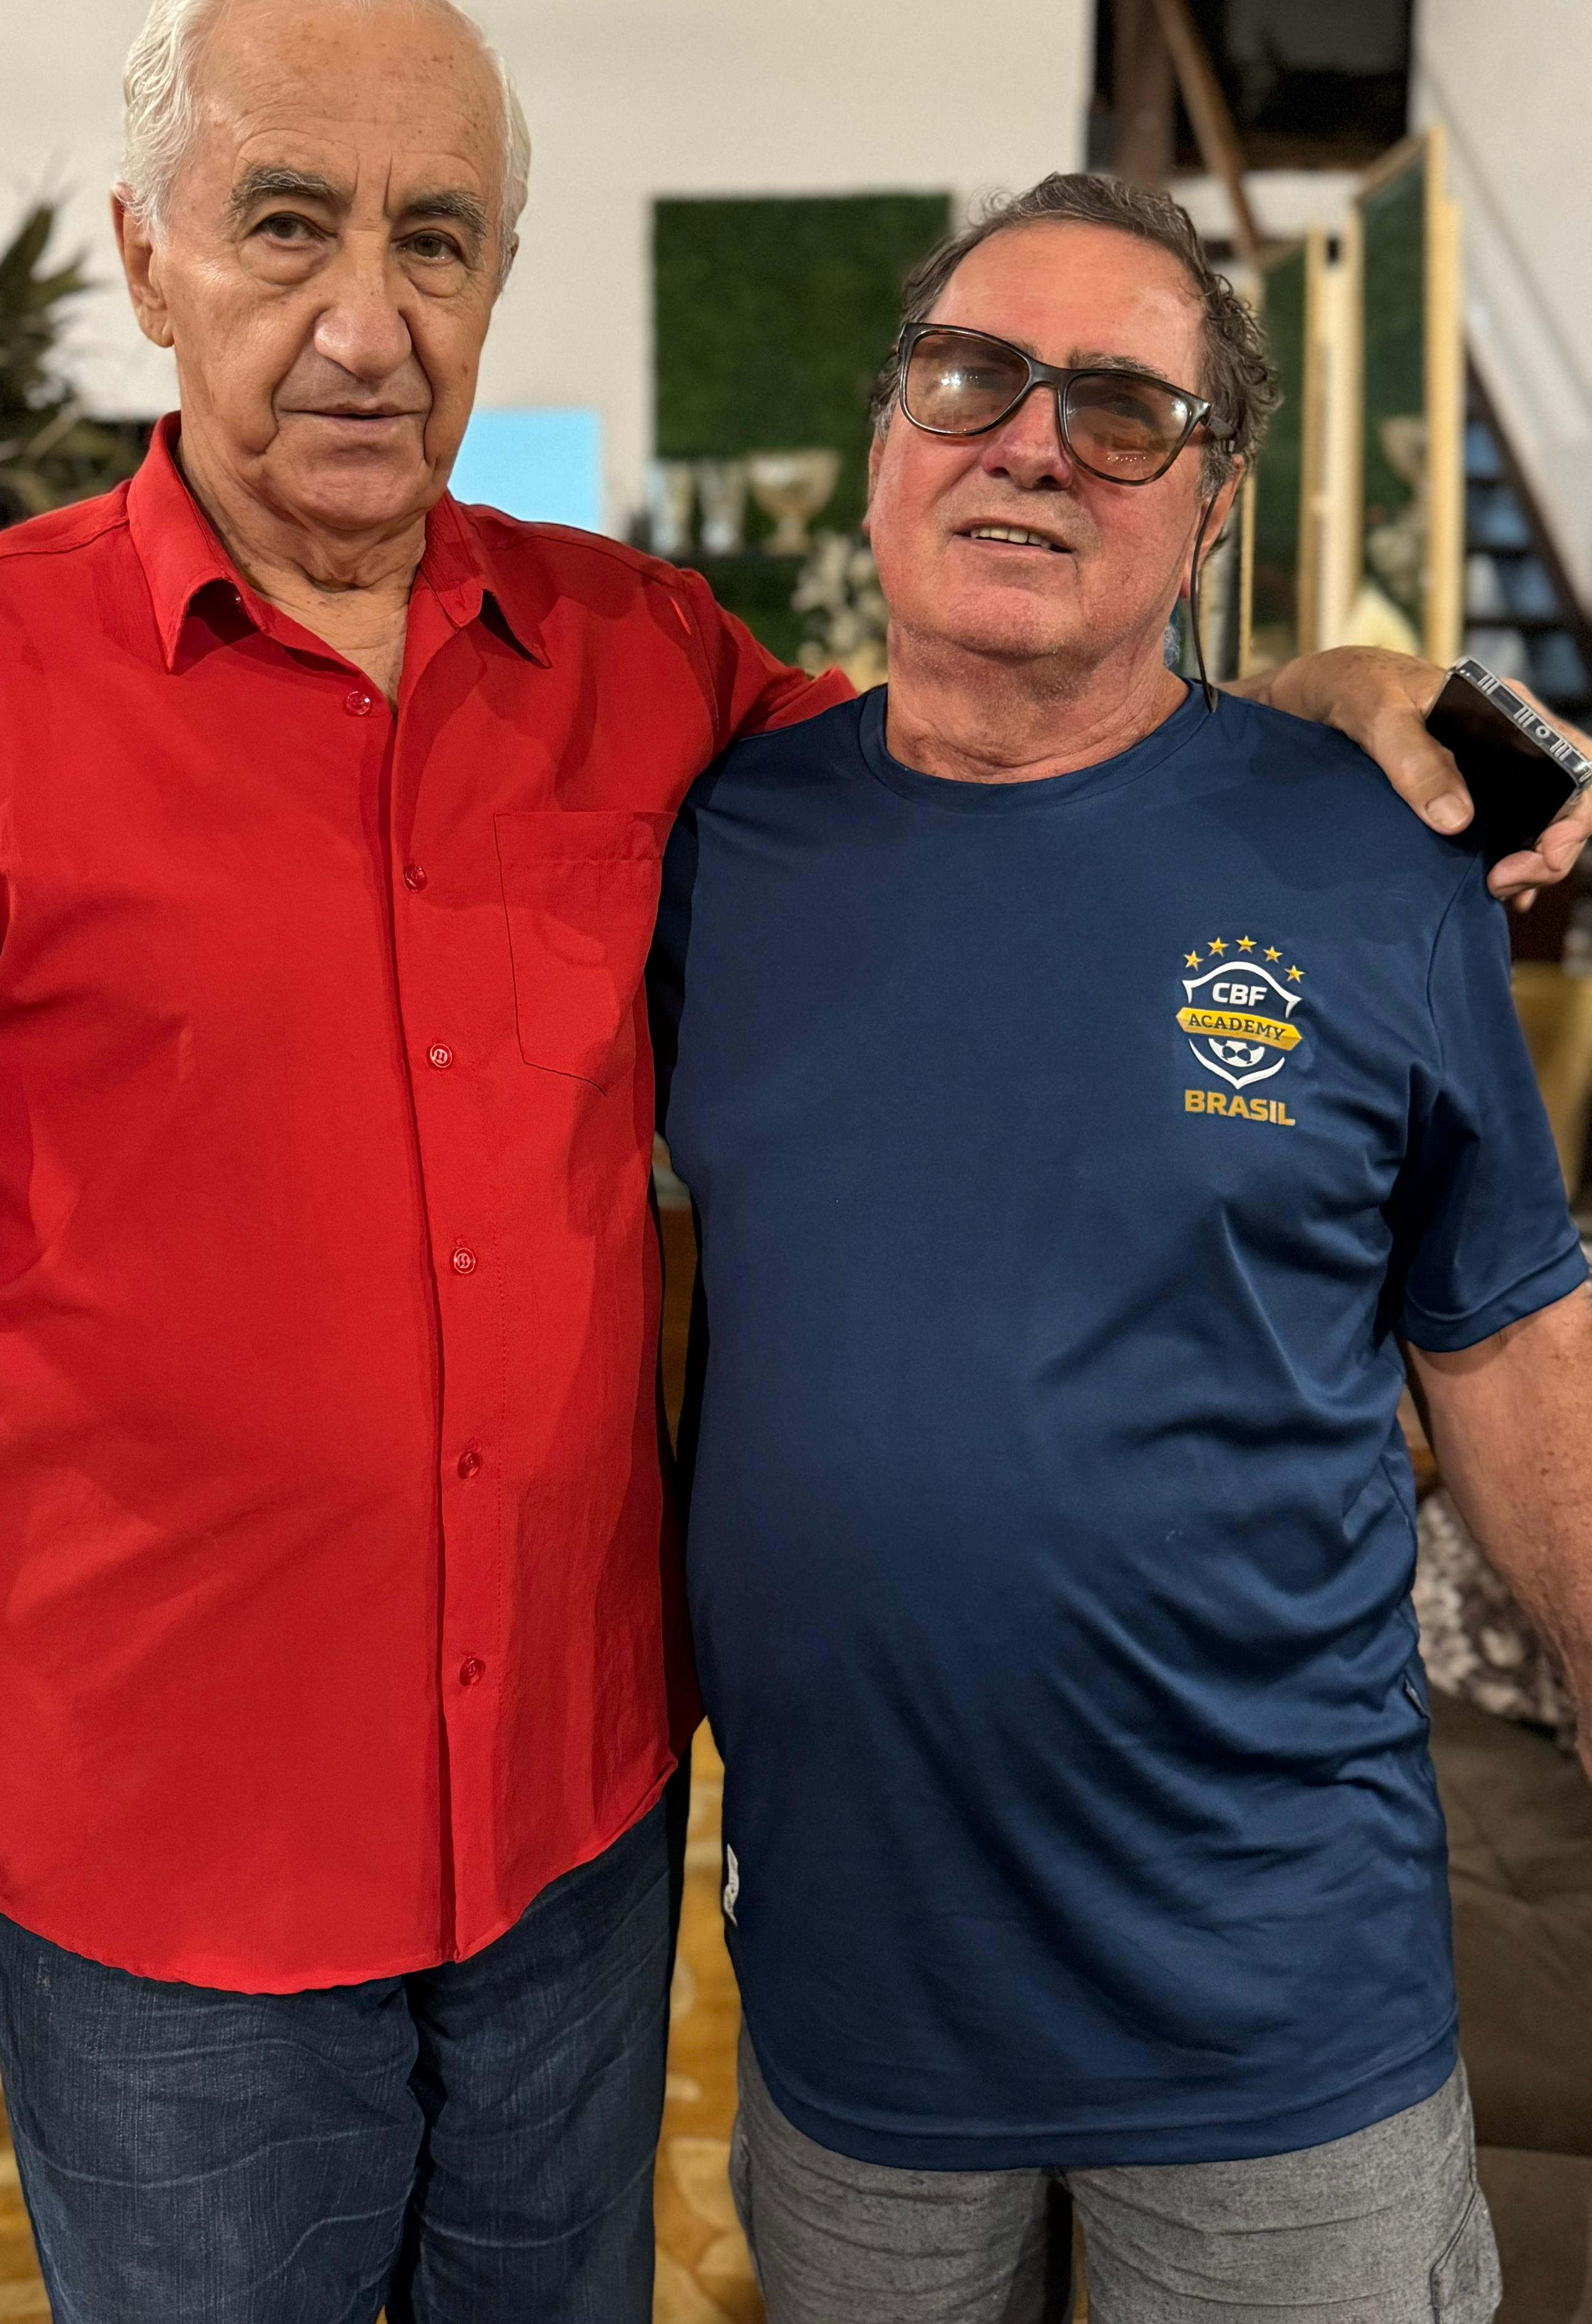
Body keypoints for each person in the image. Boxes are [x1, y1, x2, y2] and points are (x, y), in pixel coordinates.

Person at [0, 0, 1575, 2321]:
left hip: (569, 1847)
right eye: (286, 223)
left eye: (435, 239)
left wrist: (1323, 703)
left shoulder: (643, 668)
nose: (366, 320)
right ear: (147, 258)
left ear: (496, 281)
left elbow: (1012, 744)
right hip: (174, 1880)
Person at [650, 174, 1592, 2324]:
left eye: (1122, 410)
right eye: (971, 377)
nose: (1031, 444)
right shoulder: (719, 850)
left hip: (1278, 2006)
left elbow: (1513, 1342)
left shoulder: (1379, 861)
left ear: (1214, 497)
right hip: (853, 1994)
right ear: (888, 439)